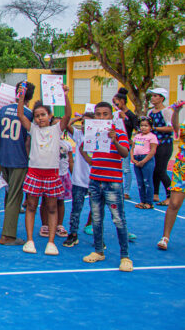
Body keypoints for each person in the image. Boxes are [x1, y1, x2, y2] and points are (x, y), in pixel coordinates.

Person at [19, 86, 72, 255]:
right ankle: (29, 240)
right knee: (32, 206)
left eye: (43, 115)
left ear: (50, 116)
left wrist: (65, 96)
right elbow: (21, 114)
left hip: (52, 175)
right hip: (34, 173)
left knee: (51, 208)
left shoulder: (56, 129)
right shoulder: (33, 129)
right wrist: (21, 96)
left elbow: (68, 115)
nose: (40, 118)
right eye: (37, 116)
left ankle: (51, 242)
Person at [80, 102, 132, 272]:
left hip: (113, 183)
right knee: (96, 218)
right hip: (95, 181)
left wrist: (114, 140)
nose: (101, 117)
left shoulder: (120, 133)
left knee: (118, 219)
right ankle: (98, 251)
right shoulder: (93, 133)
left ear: (111, 116)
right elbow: (85, 152)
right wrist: (87, 156)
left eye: (105, 114)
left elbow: (124, 153)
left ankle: (125, 256)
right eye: (98, 114)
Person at [0, 81, 36, 246]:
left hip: (4, 157)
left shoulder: (4, 110)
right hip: (19, 159)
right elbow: (28, 141)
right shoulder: (28, 114)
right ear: (31, 97)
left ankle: (7, 227)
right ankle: (8, 235)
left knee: (8, 195)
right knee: (15, 197)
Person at [157, 101, 183, 250]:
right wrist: (177, 112)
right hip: (182, 169)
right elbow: (176, 129)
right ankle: (165, 237)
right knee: (173, 204)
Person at [63, 113, 92, 247]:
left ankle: (93, 229)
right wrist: (79, 118)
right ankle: (73, 234)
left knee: (96, 209)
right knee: (76, 209)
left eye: (89, 123)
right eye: (84, 123)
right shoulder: (79, 135)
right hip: (79, 179)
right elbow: (67, 124)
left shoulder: (100, 137)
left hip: (95, 180)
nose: (85, 125)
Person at [147, 88, 174, 205]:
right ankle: (155, 194)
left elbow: (171, 128)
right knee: (153, 169)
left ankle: (170, 196)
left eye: (155, 96)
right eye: (152, 96)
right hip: (153, 144)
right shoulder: (150, 112)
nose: (152, 98)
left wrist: (155, 129)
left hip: (165, 144)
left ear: (161, 98)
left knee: (161, 170)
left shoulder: (166, 111)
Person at [112, 88, 138, 199]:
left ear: (122, 101)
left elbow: (137, 128)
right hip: (115, 143)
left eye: (116, 102)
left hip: (125, 143)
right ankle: (115, 188)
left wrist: (132, 139)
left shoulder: (131, 115)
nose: (115, 104)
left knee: (126, 168)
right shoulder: (115, 114)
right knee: (115, 166)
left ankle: (126, 191)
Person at [131, 117, 158, 209]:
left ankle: (149, 202)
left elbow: (152, 151)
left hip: (146, 160)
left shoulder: (152, 137)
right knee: (140, 182)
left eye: (146, 126)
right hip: (137, 159)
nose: (143, 127)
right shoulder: (137, 136)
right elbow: (132, 149)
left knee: (147, 181)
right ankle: (142, 201)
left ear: (150, 127)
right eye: (142, 125)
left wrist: (143, 161)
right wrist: (133, 160)